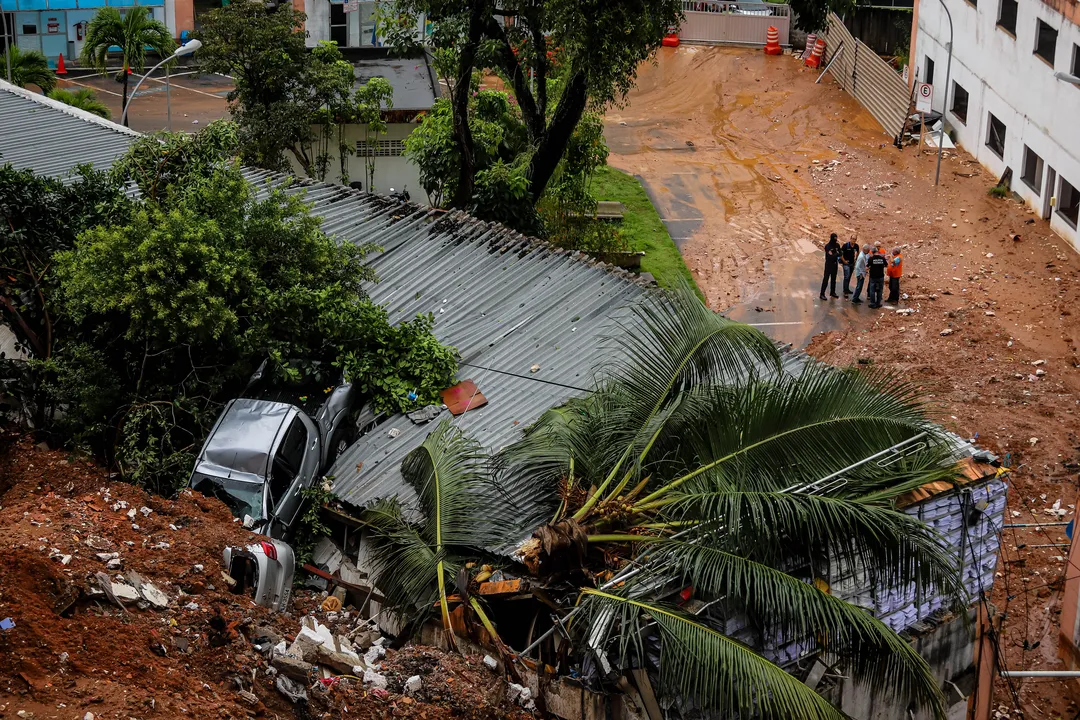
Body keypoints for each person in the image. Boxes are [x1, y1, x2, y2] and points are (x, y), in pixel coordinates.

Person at [820, 233, 840, 300]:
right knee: (826, 279)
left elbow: (840, 253)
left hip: (835, 264)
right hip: (829, 264)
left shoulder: (837, 245)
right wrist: (836, 254)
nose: (835, 240)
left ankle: (832, 292)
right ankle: (822, 294)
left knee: (833, 279)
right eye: (834, 238)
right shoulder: (827, 246)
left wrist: (836, 254)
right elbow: (830, 257)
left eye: (836, 238)